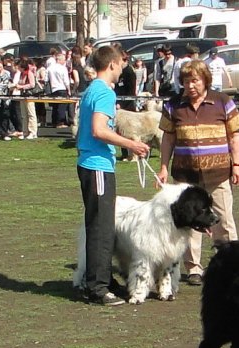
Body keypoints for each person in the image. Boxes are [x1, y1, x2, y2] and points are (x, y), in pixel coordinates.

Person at [156, 60, 239, 286]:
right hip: (186, 177)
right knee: (190, 222)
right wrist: (164, 167)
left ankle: (229, 264)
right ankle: (194, 268)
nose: (190, 85)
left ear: (205, 79)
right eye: (186, 81)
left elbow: (234, 136)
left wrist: (237, 165)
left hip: (219, 174)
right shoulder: (174, 105)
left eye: (195, 80)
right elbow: (168, 138)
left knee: (224, 220)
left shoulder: (223, 102)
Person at [76, 45, 150, 306]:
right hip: (97, 165)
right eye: (121, 64)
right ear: (111, 65)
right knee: (101, 227)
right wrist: (131, 144)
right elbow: (98, 129)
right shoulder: (103, 92)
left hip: (93, 164)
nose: (122, 69)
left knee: (102, 224)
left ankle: (100, 279)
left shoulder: (92, 90)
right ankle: (97, 288)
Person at [15, 59, 39, 139]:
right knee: (24, 114)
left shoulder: (29, 73)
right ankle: (25, 131)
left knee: (31, 114)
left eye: (19, 66)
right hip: (23, 95)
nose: (18, 68)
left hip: (29, 95)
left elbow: (32, 84)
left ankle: (33, 132)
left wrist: (21, 87)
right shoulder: (22, 74)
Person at [46, 53, 71, 128]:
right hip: (62, 88)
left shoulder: (49, 68)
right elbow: (66, 80)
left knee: (55, 106)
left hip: (53, 89)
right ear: (59, 60)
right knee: (61, 107)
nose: (64, 61)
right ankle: (60, 123)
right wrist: (69, 89)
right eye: (64, 60)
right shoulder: (63, 68)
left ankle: (54, 122)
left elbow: (46, 79)